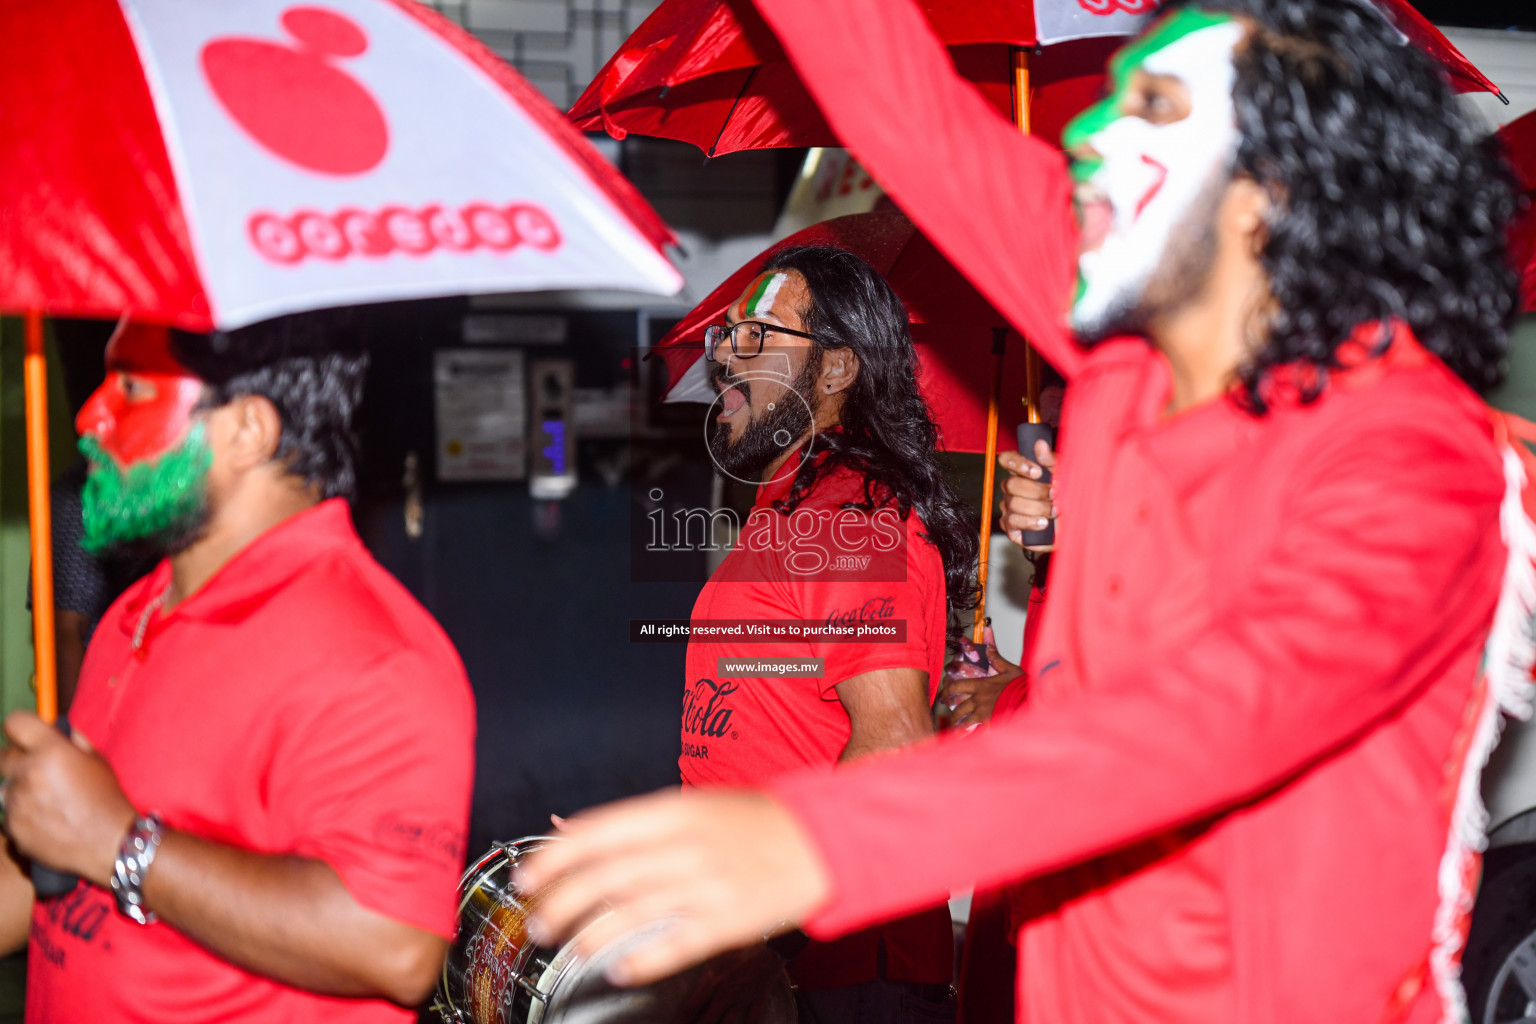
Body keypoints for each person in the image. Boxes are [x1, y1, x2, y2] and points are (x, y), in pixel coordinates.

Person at [516, 2, 1526, 1022]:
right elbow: (909, 111)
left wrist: (809, 840)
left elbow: (1205, 719)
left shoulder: (1418, 459)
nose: (1088, 134)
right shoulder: (1131, 368)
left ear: (1269, 194)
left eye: (1155, 109)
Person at [0, 315, 476, 1023]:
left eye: (130, 387)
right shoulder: (138, 608)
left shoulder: (371, 651)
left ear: (248, 429)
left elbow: (395, 944)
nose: (91, 415)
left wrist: (120, 843)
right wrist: (65, 822)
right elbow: (58, 860)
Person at [681, 244, 978, 1021]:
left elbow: (893, 745)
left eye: (761, 335)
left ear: (838, 371)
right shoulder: (788, 506)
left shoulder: (856, 512)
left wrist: (771, 929)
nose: (726, 360)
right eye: (730, 335)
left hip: (840, 966)